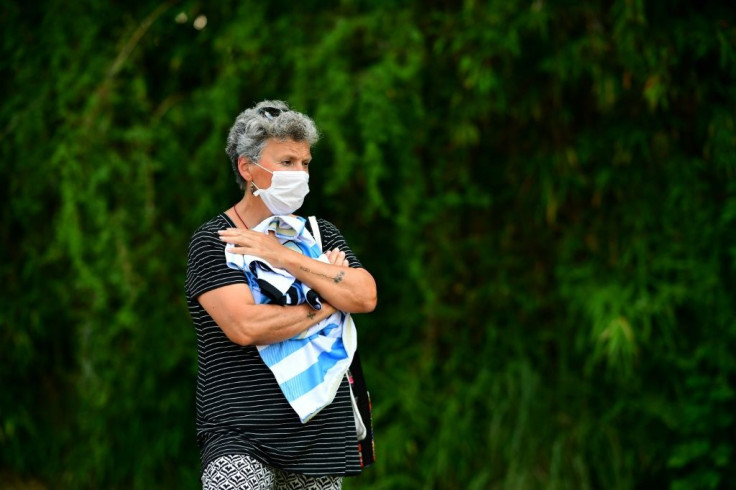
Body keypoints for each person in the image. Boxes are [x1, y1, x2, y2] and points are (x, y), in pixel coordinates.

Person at [185, 100, 377, 490]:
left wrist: (282, 256)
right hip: (241, 436)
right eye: (287, 162)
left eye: (305, 163)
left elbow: (364, 296)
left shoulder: (319, 235)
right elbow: (246, 325)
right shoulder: (217, 241)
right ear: (247, 168)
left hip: (320, 436)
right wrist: (325, 302)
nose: (300, 174)